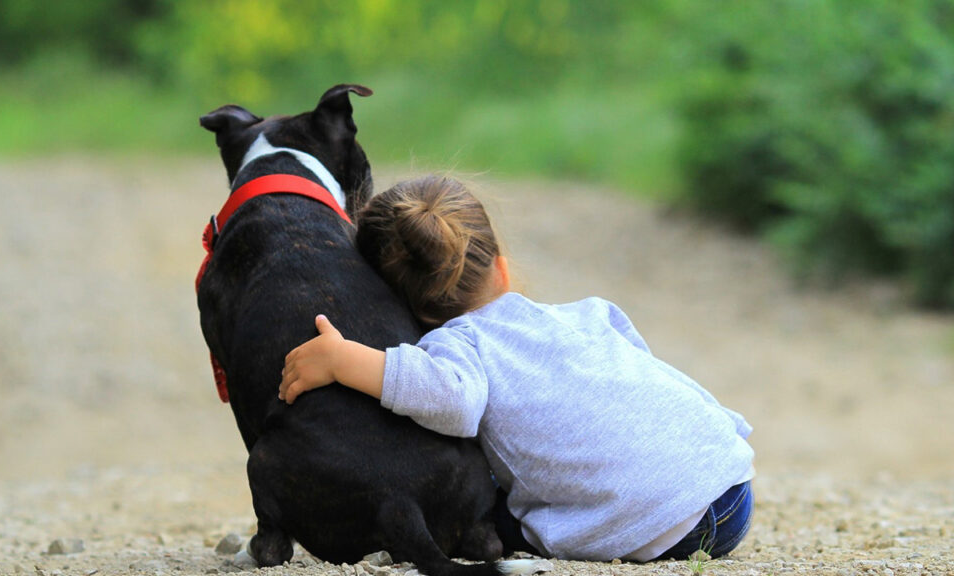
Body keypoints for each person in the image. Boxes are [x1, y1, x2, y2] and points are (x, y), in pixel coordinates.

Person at [278, 175, 755, 562]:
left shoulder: (458, 344)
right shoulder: (590, 312)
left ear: (403, 313)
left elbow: (452, 400)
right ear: (501, 269)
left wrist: (347, 360)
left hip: (669, 529)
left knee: (488, 514)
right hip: (729, 484)